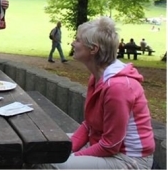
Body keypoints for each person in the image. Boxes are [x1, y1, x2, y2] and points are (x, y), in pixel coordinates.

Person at [40, 16, 155, 169]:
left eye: (78, 40)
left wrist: (70, 156)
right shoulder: (98, 77)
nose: (73, 43)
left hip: (129, 159)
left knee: (52, 164)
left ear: (93, 49)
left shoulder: (118, 87)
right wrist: (67, 150)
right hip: (102, 145)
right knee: (42, 148)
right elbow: (89, 125)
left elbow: (110, 145)